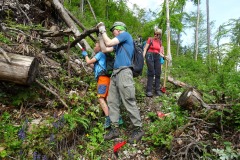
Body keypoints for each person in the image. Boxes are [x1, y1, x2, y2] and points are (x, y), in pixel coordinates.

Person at [97, 21, 144, 144]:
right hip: (115, 73)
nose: (113, 34)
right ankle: (114, 129)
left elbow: (108, 42)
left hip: (124, 72)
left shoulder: (125, 35)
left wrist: (103, 29)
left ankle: (138, 129)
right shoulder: (119, 44)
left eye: (113, 31)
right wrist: (100, 35)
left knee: (128, 99)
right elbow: (104, 49)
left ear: (118, 29)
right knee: (112, 101)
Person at [82, 42, 122, 129]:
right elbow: (93, 66)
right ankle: (118, 117)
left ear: (100, 47)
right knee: (108, 99)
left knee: (101, 98)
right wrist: (86, 57)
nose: (94, 47)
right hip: (107, 78)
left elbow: (89, 62)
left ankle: (108, 118)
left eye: (95, 45)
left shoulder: (100, 54)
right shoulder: (103, 56)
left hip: (102, 79)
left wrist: (85, 55)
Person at [143, 28, 165, 97]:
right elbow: (145, 49)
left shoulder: (160, 42)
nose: (155, 35)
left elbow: (159, 52)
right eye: (155, 34)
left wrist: (165, 56)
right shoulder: (150, 39)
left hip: (157, 56)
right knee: (151, 72)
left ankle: (157, 90)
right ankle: (149, 91)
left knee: (158, 72)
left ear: (160, 35)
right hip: (149, 55)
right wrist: (143, 57)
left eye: (157, 34)